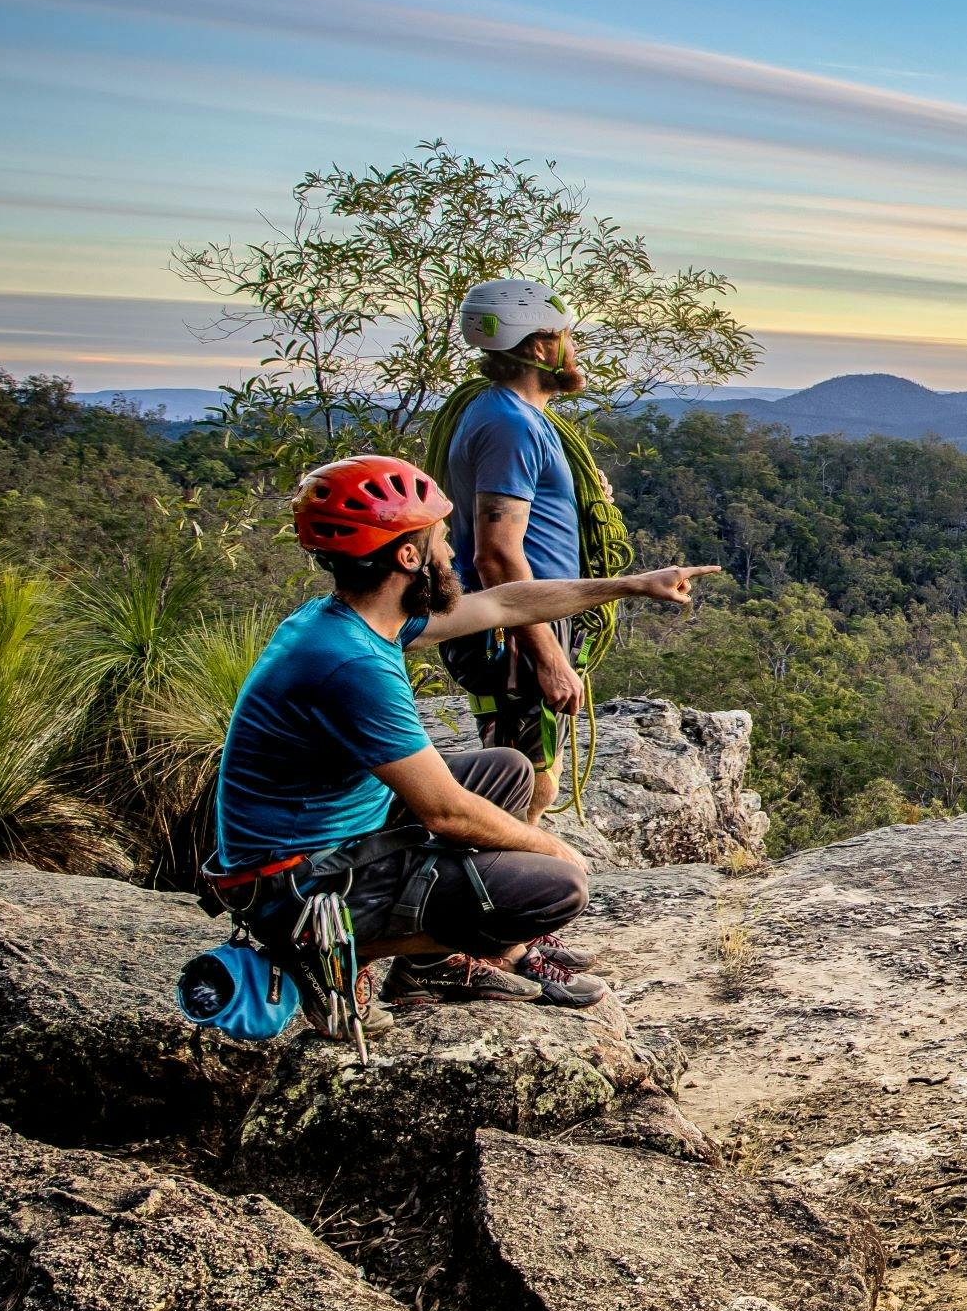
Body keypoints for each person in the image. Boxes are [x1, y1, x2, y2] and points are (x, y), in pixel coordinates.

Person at [211, 454, 717, 1007]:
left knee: (507, 770)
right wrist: (551, 848)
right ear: (409, 556)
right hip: (299, 886)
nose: (451, 551)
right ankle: (327, 953)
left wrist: (633, 585)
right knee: (557, 887)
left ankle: (431, 967)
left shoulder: (352, 620)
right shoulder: (352, 664)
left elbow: (503, 602)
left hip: (331, 841)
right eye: (441, 537)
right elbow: (445, 812)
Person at [439, 276, 592, 821]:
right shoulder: (510, 426)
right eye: (567, 336)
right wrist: (547, 656)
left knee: (534, 770)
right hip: (516, 626)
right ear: (541, 347)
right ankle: (505, 868)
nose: (574, 347)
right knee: (526, 781)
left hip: (527, 614)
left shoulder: (514, 416)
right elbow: (496, 554)